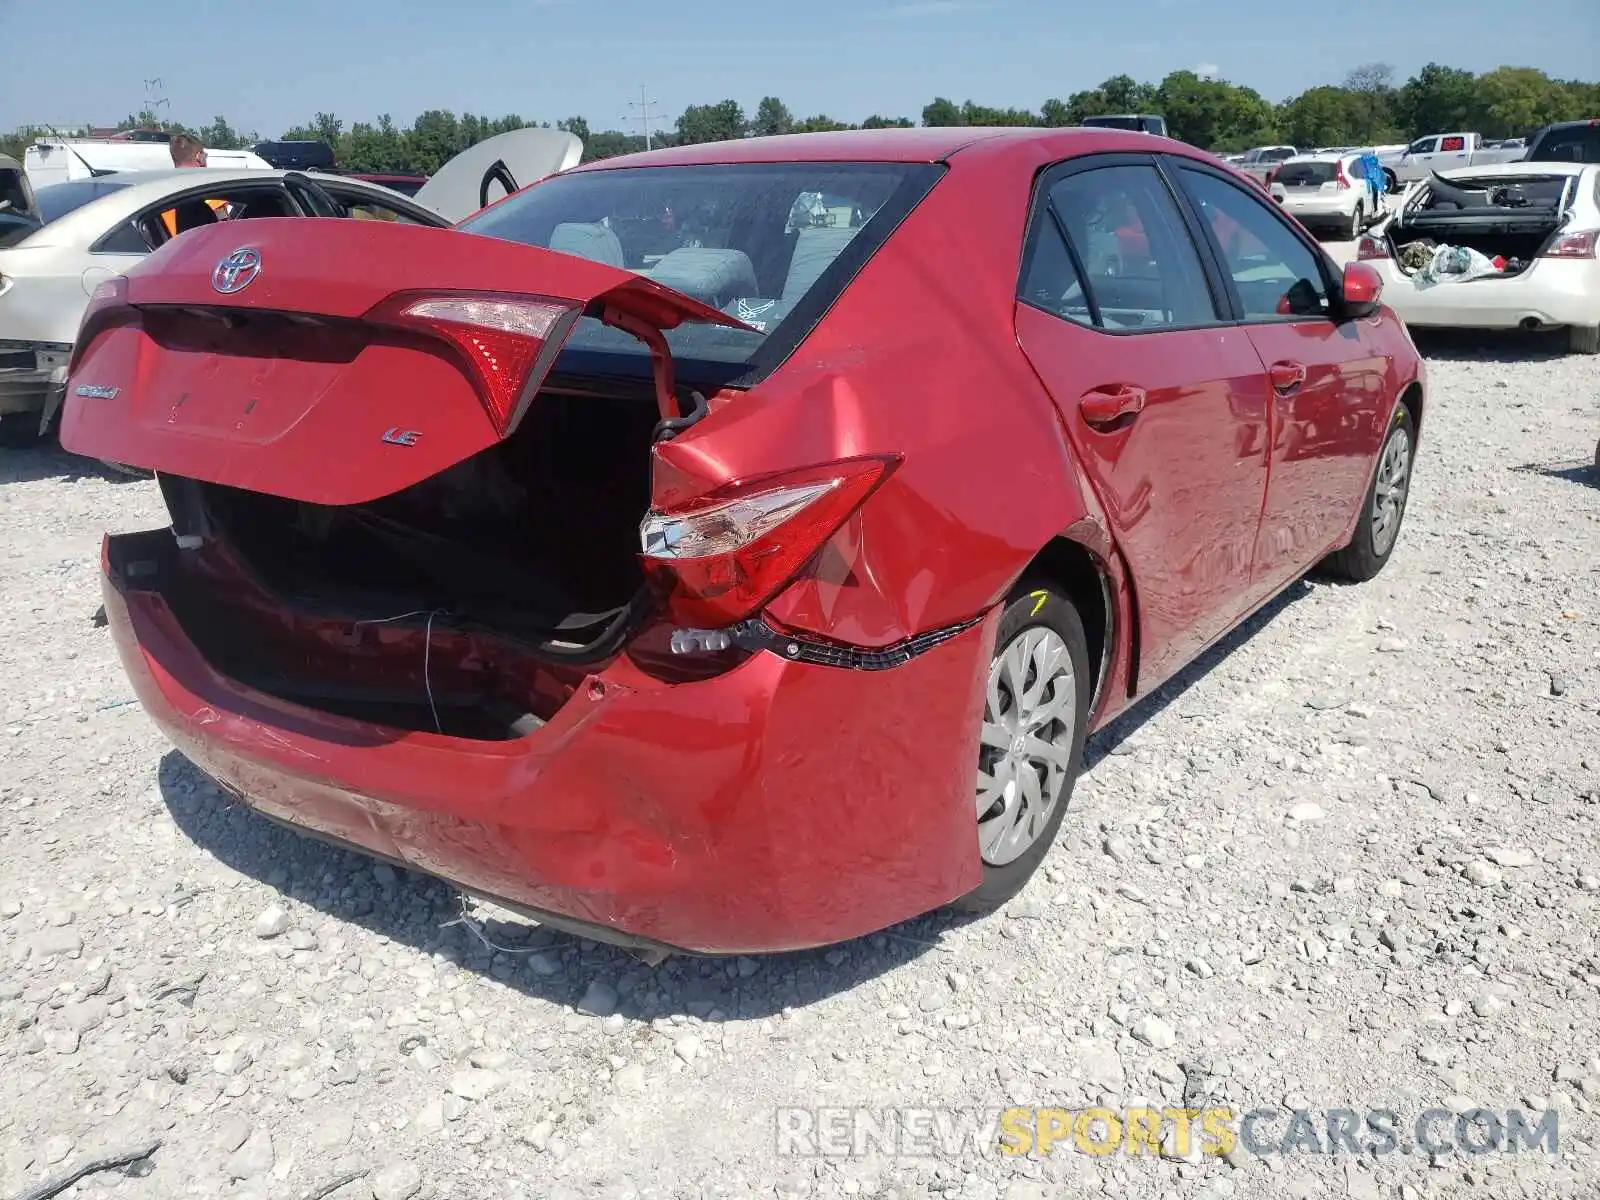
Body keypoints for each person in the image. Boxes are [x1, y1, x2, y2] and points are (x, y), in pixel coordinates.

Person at [160, 134, 228, 237]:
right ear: (199, 157)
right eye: (205, 155)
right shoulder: (212, 197)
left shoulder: (160, 195)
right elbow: (223, 232)